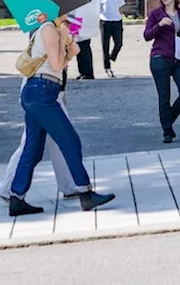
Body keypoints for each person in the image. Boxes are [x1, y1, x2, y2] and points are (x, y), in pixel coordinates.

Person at [7, 15, 114, 217]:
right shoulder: (48, 29)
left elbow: (57, 64)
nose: (71, 15)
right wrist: (65, 40)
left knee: (34, 148)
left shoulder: (53, 30)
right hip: (41, 91)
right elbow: (56, 66)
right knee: (70, 140)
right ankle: (85, 192)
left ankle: (16, 197)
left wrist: (70, 53)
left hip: (40, 91)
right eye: (68, 11)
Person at [0, 71, 79, 202]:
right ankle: (8, 188)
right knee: (33, 144)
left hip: (44, 88)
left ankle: (69, 184)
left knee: (40, 143)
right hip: (43, 89)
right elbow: (56, 62)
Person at [144, 0, 180, 143]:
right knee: (164, 96)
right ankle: (167, 131)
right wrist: (159, 25)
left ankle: (167, 120)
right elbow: (147, 35)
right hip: (160, 57)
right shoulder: (156, 14)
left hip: (179, 58)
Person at [99, 0, 125, 78]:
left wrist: (121, 15)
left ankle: (112, 56)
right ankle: (107, 68)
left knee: (119, 43)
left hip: (117, 21)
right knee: (105, 46)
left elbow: (120, 5)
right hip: (105, 21)